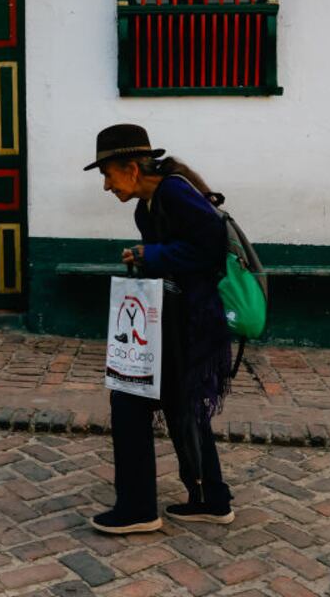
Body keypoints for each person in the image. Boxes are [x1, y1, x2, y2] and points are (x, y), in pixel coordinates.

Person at [84, 123, 235, 534]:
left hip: (192, 321)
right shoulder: (147, 206)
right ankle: (210, 499)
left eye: (107, 174)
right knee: (182, 405)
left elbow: (210, 247)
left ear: (131, 168)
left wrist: (150, 254)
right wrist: (146, 256)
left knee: (129, 400)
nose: (106, 185)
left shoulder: (173, 192)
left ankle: (137, 509)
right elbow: (178, 252)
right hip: (171, 319)